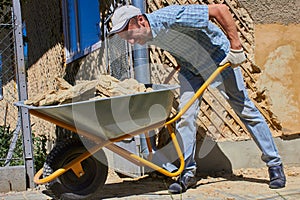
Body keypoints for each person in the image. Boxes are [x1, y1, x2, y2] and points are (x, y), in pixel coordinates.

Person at [109, 3, 286, 194]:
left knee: (245, 110)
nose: (132, 43)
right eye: (126, 39)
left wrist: (236, 46)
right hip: (190, 70)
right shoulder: (147, 34)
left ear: (141, 20)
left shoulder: (172, 16)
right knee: (185, 117)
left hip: (219, 60)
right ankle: (188, 172)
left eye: (130, 35)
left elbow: (220, 10)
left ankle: (275, 165)